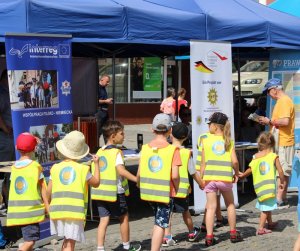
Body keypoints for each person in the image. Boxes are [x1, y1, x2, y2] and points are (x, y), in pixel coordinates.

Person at [91, 120, 141, 251]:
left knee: (104, 219)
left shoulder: (99, 152)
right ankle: (126, 246)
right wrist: (136, 179)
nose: (124, 136)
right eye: (121, 133)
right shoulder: (117, 152)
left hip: (100, 193)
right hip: (115, 192)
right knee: (123, 217)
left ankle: (100, 248)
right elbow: (121, 170)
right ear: (113, 136)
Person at [47, 130, 100, 251]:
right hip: (74, 212)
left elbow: (48, 192)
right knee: (70, 243)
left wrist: (47, 207)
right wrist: (96, 164)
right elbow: (96, 183)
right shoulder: (82, 169)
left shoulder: (55, 168)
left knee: (67, 240)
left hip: (57, 210)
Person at [137, 113, 181, 251]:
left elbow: (139, 173)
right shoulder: (173, 150)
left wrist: (139, 184)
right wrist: (177, 188)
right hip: (165, 193)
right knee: (160, 223)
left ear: (152, 129)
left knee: (158, 219)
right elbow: (175, 176)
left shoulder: (145, 148)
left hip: (149, 191)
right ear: (170, 130)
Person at [199, 112, 242, 246]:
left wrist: (201, 178)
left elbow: (203, 164)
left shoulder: (205, 141)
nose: (208, 127)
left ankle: (209, 236)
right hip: (224, 178)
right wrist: (236, 173)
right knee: (230, 204)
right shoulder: (228, 141)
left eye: (209, 124)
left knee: (211, 207)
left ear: (215, 126)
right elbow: (235, 162)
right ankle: (233, 232)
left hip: (210, 178)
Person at [162, 122, 203, 246]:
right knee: (185, 212)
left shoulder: (165, 150)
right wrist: (201, 183)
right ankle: (191, 232)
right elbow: (193, 172)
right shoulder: (186, 153)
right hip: (181, 189)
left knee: (167, 213)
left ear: (171, 134)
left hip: (168, 188)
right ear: (186, 137)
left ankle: (167, 237)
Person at [6, 132, 49, 251]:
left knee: (28, 239)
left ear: (16, 147)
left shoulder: (14, 168)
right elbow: (44, 190)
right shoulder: (35, 167)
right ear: (34, 148)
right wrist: (48, 208)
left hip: (17, 212)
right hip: (30, 212)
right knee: (30, 241)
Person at [258, 78, 295, 208]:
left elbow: (285, 122)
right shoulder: (282, 101)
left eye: (268, 91)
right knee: (284, 170)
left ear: (274, 89)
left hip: (284, 141)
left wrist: (270, 122)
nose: (268, 95)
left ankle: (279, 198)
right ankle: (282, 197)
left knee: (282, 171)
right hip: (282, 141)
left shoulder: (284, 101)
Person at [239, 131, 285, 235]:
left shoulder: (255, 156)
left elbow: (250, 169)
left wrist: (242, 175)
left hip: (259, 187)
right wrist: (282, 182)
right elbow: (281, 171)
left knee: (266, 204)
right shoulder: (273, 156)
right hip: (269, 186)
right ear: (272, 144)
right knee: (266, 208)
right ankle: (260, 228)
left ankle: (271, 223)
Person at [195, 132, 228, 233]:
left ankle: (218, 219)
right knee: (212, 202)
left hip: (203, 170)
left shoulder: (202, 136)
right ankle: (206, 223)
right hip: (214, 171)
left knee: (212, 200)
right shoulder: (221, 137)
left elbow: (198, 148)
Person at [96, 75, 113, 144]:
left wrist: (108, 101)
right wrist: (106, 101)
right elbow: (95, 100)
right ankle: (95, 147)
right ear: (102, 80)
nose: (108, 83)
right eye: (107, 82)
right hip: (99, 112)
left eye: (108, 82)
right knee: (98, 132)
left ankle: (108, 147)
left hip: (105, 112)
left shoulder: (103, 88)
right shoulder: (97, 88)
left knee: (107, 130)